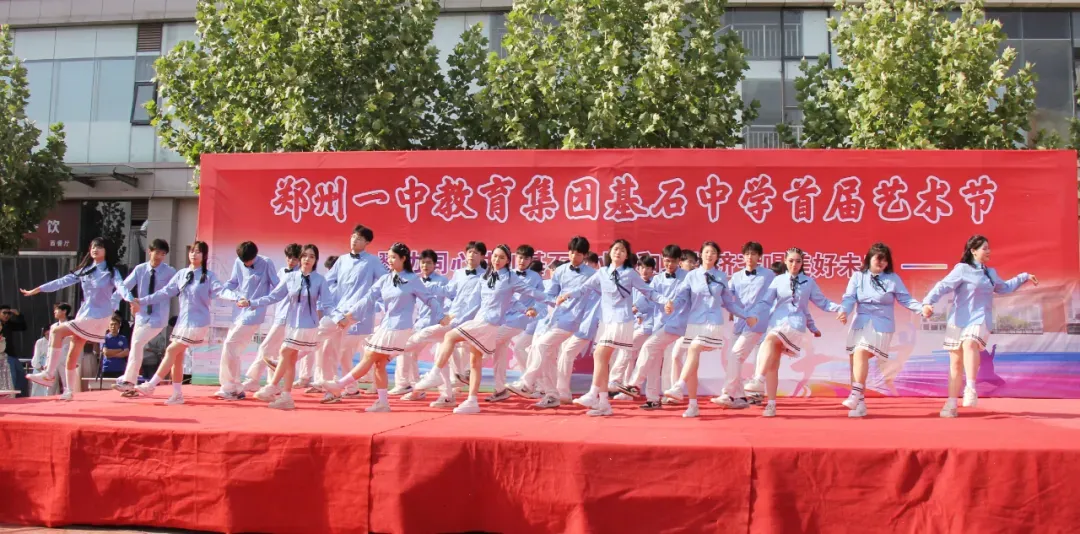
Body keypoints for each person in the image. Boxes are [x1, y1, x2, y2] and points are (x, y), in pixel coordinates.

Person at [412, 244, 547, 414]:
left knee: (450, 337)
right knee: (475, 361)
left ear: (507, 261)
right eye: (495, 256)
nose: (497, 260)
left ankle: (436, 373)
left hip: (488, 323)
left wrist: (550, 301)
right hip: (481, 320)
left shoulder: (511, 277)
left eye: (502, 257)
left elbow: (534, 293)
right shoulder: (486, 277)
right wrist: (524, 309)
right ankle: (472, 401)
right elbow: (507, 301)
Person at [319, 243, 447, 411]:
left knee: (369, 356)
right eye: (388, 257)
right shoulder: (385, 279)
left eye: (393, 257)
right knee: (378, 364)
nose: (390, 260)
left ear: (403, 259)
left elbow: (429, 299)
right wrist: (349, 316)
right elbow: (368, 299)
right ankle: (383, 403)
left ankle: (339, 385)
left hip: (399, 327)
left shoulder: (413, 279)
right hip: (386, 326)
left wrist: (440, 316)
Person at [922, 235, 1036, 418]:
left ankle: (970, 388)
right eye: (985, 248)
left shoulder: (990, 273)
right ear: (973, 251)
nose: (988, 251)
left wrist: (1024, 277)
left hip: (980, 318)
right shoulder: (962, 269)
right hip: (958, 320)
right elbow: (943, 286)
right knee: (955, 363)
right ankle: (951, 403)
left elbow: (1005, 287)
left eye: (989, 248)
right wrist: (928, 302)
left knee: (970, 343)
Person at [556, 240, 672, 416]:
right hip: (606, 321)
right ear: (610, 252)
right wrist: (567, 295)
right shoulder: (602, 272)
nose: (618, 252)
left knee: (600, 354)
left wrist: (665, 301)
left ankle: (593, 394)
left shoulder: (630, 273)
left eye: (622, 250)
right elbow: (584, 288)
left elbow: (649, 292)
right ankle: (603, 403)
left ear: (626, 256)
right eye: (616, 249)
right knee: (602, 358)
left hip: (621, 320)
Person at [128, 241, 242, 405]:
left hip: (198, 322)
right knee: (177, 357)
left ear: (204, 256)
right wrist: (143, 301)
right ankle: (177, 394)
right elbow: (164, 292)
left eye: (198, 252)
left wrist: (237, 298)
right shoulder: (182, 274)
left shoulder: (208, 276)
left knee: (171, 350)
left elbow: (221, 291)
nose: (194, 254)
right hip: (182, 322)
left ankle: (151, 385)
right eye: (192, 251)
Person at [23, 238, 131, 400]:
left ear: (106, 250)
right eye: (93, 246)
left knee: (56, 331)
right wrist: (38, 289)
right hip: (85, 314)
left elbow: (121, 287)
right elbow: (62, 282)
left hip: (99, 315)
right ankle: (68, 391)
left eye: (99, 247)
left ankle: (49, 373)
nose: (95, 249)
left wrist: (130, 300)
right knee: (73, 351)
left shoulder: (111, 271)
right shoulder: (85, 270)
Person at [663, 242, 757, 418]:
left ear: (717, 257)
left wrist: (745, 315)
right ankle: (692, 405)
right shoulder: (692, 276)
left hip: (712, 323)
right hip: (694, 323)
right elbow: (681, 297)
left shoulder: (721, 276)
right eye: (706, 252)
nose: (709, 255)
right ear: (701, 254)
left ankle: (678, 386)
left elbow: (729, 303)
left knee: (694, 348)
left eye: (713, 252)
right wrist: (672, 304)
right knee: (692, 359)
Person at [751, 247, 846, 417]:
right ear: (785, 261)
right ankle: (771, 404)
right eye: (791, 261)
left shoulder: (808, 282)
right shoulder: (778, 280)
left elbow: (823, 302)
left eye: (798, 261)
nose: (794, 264)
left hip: (795, 325)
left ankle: (758, 379)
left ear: (802, 263)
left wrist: (840, 309)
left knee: (770, 340)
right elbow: (765, 302)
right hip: (776, 323)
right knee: (772, 364)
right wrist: (753, 314)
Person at [506, 237, 596, 408]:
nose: (574, 256)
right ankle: (552, 395)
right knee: (545, 353)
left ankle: (527, 383)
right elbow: (551, 295)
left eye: (578, 254)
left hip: (573, 320)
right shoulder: (561, 270)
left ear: (584, 255)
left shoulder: (592, 275)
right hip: (556, 318)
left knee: (541, 346)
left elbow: (595, 297)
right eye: (571, 252)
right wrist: (540, 305)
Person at [838, 243, 923, 417]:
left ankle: (854, 394)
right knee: (855, 359)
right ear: (869, 258)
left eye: (885, 260)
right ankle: (859, 404)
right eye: (878, 259)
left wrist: (922, 309)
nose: (882, 263)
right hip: (861, 322)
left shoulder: (893, 279)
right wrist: (844, 311)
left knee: (861, 352)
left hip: (882, 324)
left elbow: (906, 299)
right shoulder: (858, 277)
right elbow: (849, 298)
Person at [244, 245, 333, 410]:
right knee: (290, 359)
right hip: (291, 325)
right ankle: (286, 396)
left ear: (316, 260)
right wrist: (252, 302)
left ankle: (272, 386)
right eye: (305, 256)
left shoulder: (319, 280)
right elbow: (274, 296)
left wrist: (339, 318)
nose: (307, 259)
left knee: (285, 352)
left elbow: (327, 304)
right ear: (300, 258)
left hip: (308, 326)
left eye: (312, 256)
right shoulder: (290, 277)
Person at [402, 242, 487, 408]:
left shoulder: (485, 277)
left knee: (424, 335)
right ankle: (447, 396)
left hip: (466, 323)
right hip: (452, 319)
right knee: (440, 356)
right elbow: (449, 291)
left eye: (476, 253)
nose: (471, 255)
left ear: (483, 256)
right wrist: (428, 286)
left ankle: (394, 350)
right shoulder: (459, 273)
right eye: (469, 252)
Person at [314, 225, 387, 402]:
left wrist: (374, 304)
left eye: (359, 238)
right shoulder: (342, 260)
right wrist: (322, 301)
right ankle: (335, 389)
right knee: (329, 349)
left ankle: (292, 354)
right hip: (339, 312)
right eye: (353, 236)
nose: (354, 240)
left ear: (367, 242)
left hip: (356, 315)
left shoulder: (372, 262)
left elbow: (386, 282)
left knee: (330, 345)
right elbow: (327, 282)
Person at [620, 245, 687, 410]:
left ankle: (636, 384)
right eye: (667, 261)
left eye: (673, 261)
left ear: (679, 261)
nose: (669, 264)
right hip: (659, 324)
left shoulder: (687, 277)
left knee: (654, 350)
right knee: (654, 362)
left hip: (677, 324)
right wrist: (635, 308)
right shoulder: (658, 279)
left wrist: (673, 304)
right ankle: (653, 398)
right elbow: (648, 296)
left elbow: (684, 297)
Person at [712, 242, 775, 409]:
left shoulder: (768, 275)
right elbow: (727, 296)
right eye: (747, 254)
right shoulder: (736, 276)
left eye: (753, 254)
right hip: (739, 322)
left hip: (756, 323)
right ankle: (740, 397)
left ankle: (728, 394)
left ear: (759, 257)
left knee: (736, 356)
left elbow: (772, 296)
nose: (749, 257)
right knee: (733, 359)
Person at [213, 241, 279, 400]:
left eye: (249, 261)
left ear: (255, 255)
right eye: (244, 261)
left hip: (254, 313)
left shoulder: (266, 263)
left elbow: (277, 287)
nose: (246, 264)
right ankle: (235, 388)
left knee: (230, 345)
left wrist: (258, 302)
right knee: (233, 350)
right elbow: (233, 282)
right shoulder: (238, 262)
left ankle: (230, 387)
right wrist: (223, 291)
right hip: (238, 313)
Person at [115, 239, 177, 395]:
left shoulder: (170, 272)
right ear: (150, 251)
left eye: (163, 254)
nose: (160, 256)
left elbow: (175, 290)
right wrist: (124, 301)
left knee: (137, 342)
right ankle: (131, 383)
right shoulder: (140, 269)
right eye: (157, 252)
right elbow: (124, 287)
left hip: (158, 317)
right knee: (136, 345)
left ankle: (128, 380)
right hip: (141, 316)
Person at [487, 245, 545, 402]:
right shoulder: (507, 275)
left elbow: (541, 297)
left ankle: (534, 384)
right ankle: (500, 389)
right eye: (520, 257)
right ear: (514, 258)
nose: (522, 261)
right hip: (503, 318)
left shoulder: (535, 277)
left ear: (530, 260)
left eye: (526, 258)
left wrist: (534, 310)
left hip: (521, 319)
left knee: (490, 342)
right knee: (499, 352)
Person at [242, 244, 303, 392]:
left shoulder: (300, 275)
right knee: (274, 352)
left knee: (266, 347)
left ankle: (253, 379)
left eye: (295, 259)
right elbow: (274, 294)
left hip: (288, 318)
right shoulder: (281, 272)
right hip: (279, 315)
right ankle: (272, 384)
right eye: (289, 257)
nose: (291, 261)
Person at [392, 249, 449, 401]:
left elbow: (449, 300)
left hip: (436, 326)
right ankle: (414, 387)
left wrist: (445, 318)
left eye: (429, 263)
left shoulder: (442, 281)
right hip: (419, 325)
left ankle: (446, 394)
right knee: (407, 352)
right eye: (423, 263)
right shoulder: (415, 280)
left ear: (435, 264)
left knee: (441, 358)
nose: (425, 266)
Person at [100, 314, 130, 381]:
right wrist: (120, 350)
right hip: (107, 368)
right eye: (111, 324)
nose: (113, 326)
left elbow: (126, 352)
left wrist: (112, 355)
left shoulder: (123, 338)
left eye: (115, 324)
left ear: (119, 326)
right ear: (108, 326)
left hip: (120, 368)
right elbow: (106, 353)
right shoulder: (104, 338)